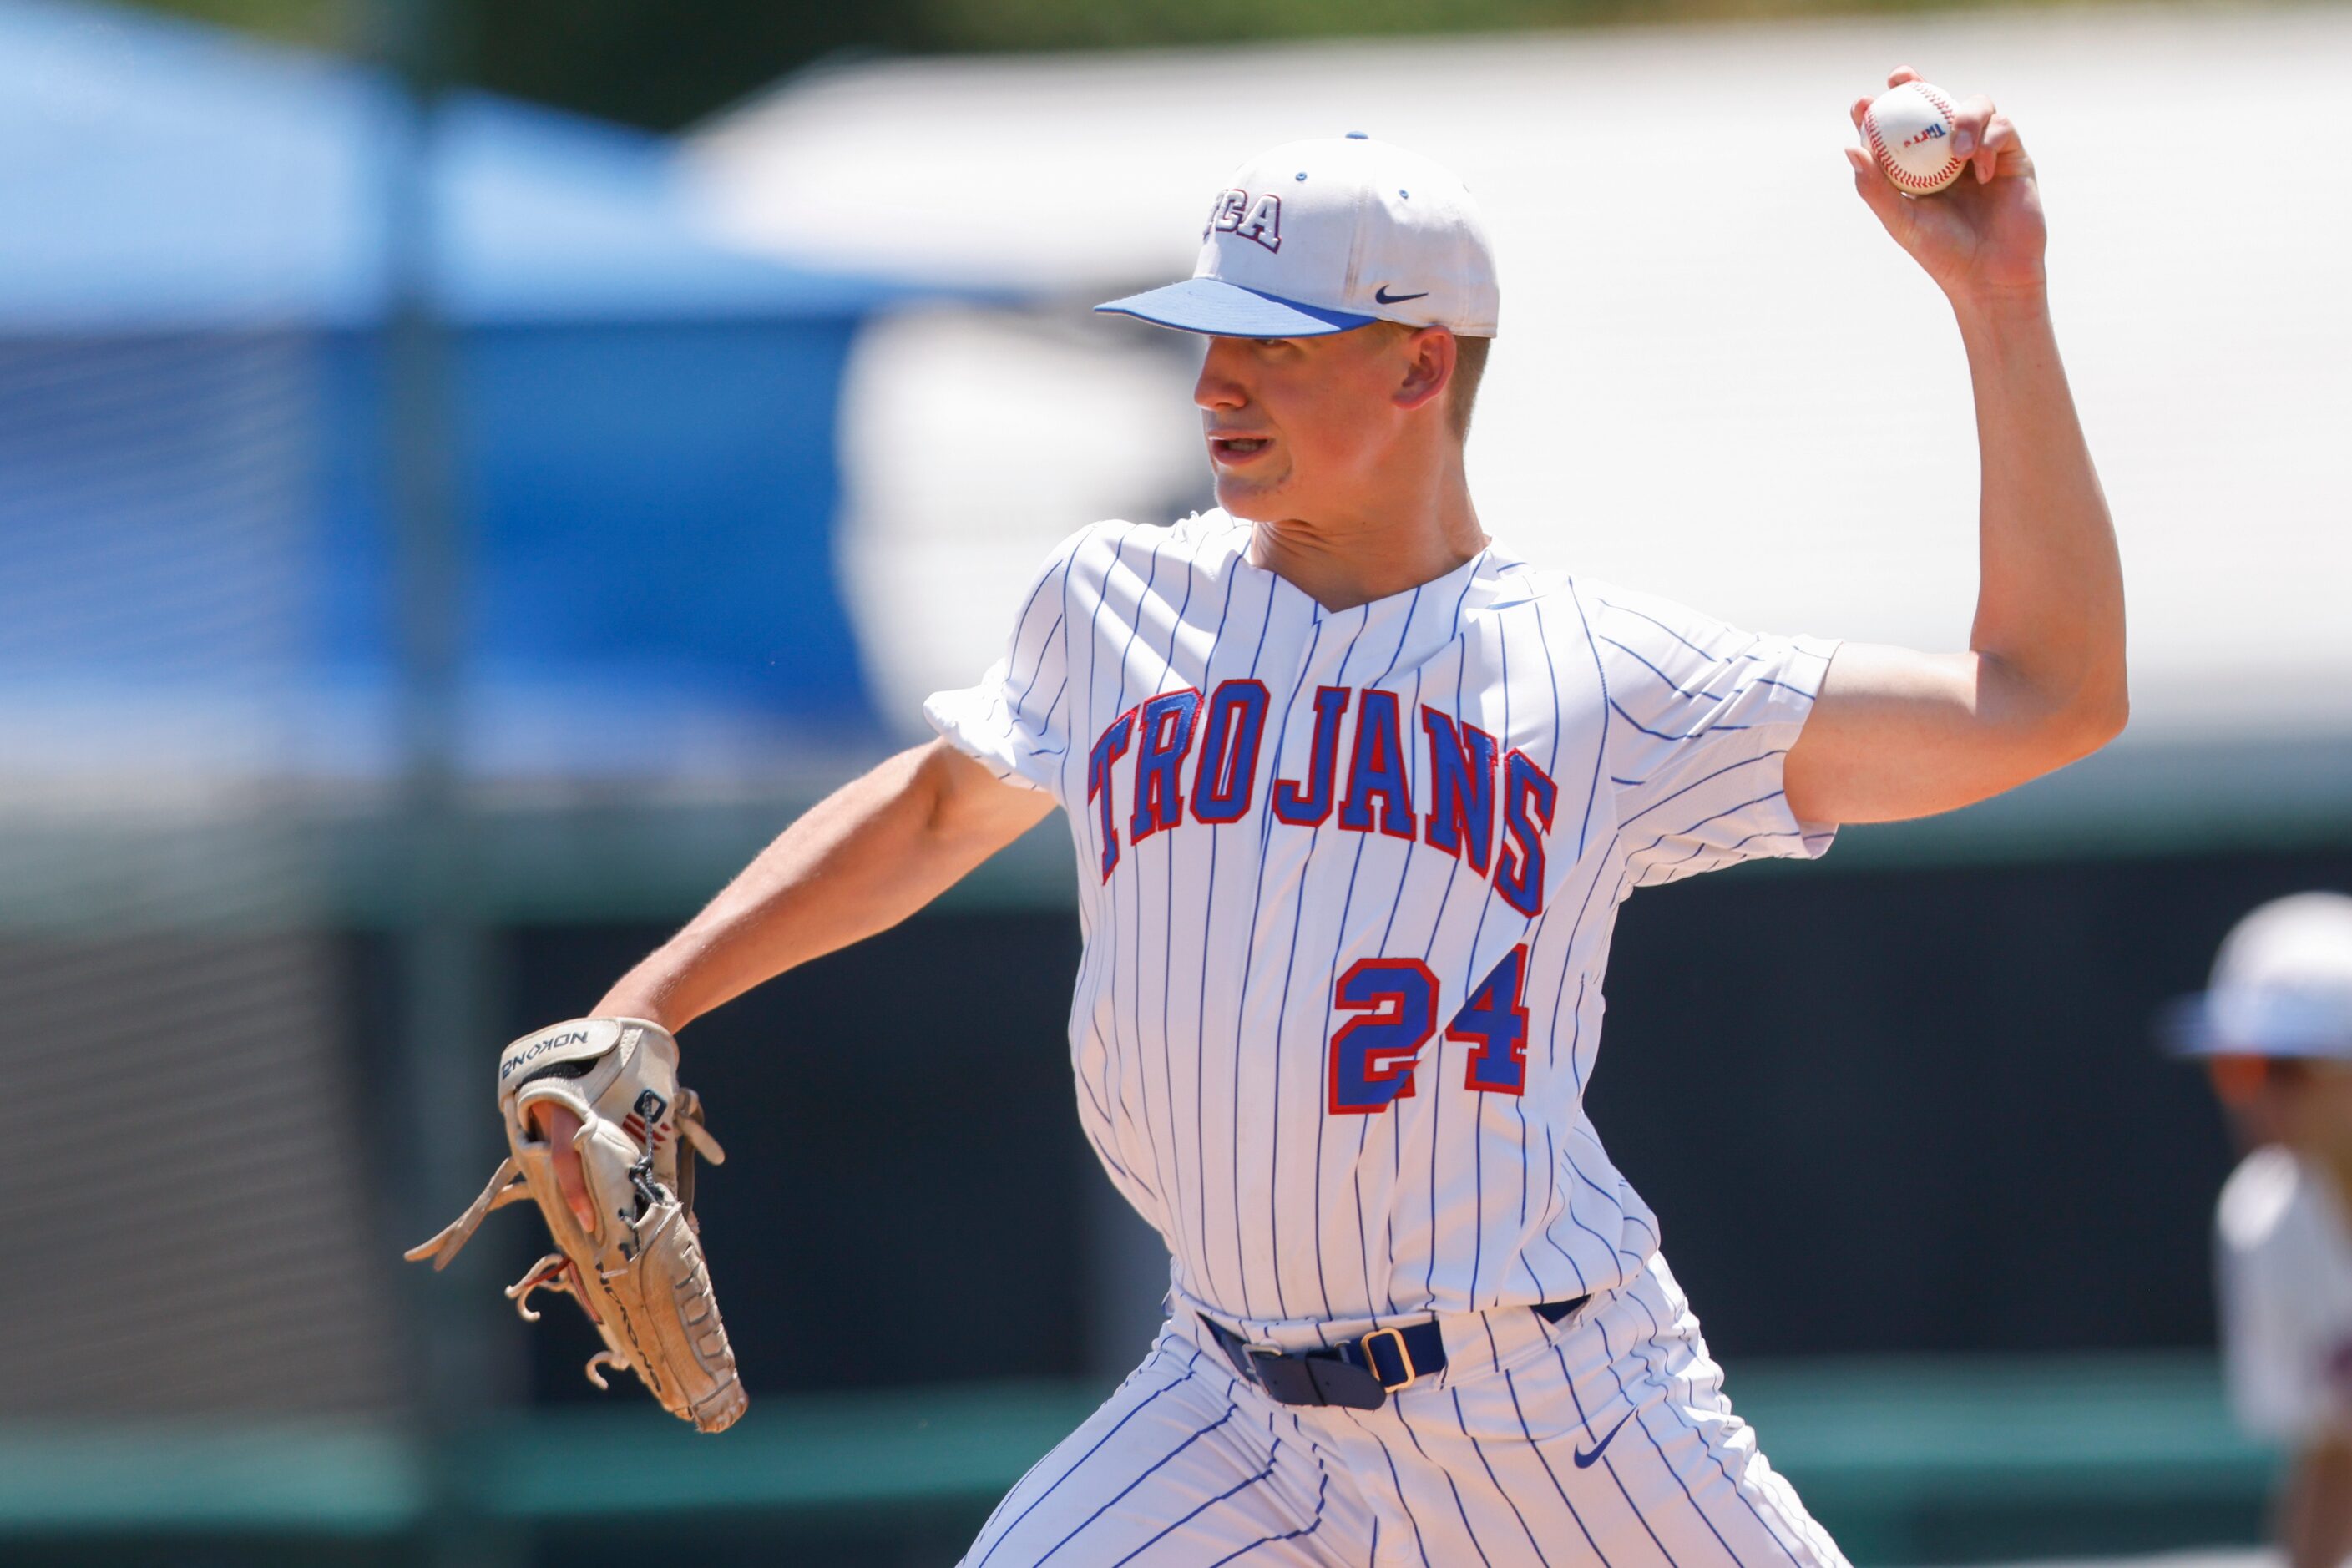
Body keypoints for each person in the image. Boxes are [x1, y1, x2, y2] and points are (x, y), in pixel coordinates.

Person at [539, 68, 2124, 1564]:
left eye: (1276, 344)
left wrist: (2002, 304)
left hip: (1547, 1403)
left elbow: (2043, 698)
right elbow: (938, 807)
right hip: (1224, 1410)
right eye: (1208, 340)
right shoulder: (1114, 604)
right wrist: (645, 1004)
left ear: (1419, 362)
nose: (1218, 380)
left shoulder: (1600, 676)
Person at [2169, 893, 2352, 1568]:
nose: (2259, 1097)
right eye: (2238, 1068)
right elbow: (2334, 1447)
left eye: (2289, 1067)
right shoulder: (2266, 1223)